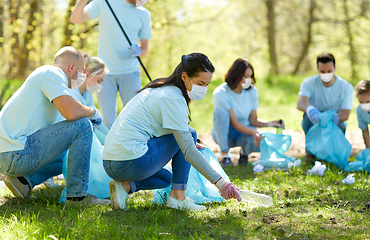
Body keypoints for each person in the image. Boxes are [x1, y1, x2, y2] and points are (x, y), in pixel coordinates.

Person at [103, 53, 242, 211]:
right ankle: (178, 199)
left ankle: (125, 186)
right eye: (200, 83)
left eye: (207, 84)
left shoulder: (159, 89)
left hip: (111, 163)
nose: (204, 89)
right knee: (189, 133)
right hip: (130, 161)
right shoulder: (173, 97)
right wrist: (222, 184)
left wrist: (186, 142)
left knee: (166, 178)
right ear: (185, 76)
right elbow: (188, 150)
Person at [0, 46, 108, 206]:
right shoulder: (52, 74)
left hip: (10, 153)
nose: (81, 77)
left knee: (73, 150)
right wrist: (93, 112)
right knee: (83, 125)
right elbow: (72, 112)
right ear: (72, 68)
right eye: (80, 71)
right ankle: (76, 197)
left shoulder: (51, 80)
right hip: (14, 153)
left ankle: (23, 181)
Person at [70, 0, 152, 129]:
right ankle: (106, 149)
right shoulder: (105, 3)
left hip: (131, 72)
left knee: (134, 117)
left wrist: (139, 50)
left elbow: (145, 48)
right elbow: (76, 19)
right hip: (104, 74)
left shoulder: (144, 14)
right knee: (107, 121)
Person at [58, 53, 112, 203]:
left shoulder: (87, 94)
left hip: (85, 134)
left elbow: (97, 121)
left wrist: (110, 141)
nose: (99, 85)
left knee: (104, 142)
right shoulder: (71, 92)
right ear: (88, 74)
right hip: (70, 138)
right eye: (99, 80)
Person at [212, 58, 284, 167]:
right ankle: (225, 155)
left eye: (250, 76)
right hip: (227, 134)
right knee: (220, 112)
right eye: (245, 76)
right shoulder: (220, 93)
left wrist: (271, 124)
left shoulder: (252, 91)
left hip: (244, 133)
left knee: (262, 140)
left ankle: (244, 153)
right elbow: (235, 124)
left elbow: (253, 120)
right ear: (236, 75)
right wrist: (254, 131)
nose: (248, 80)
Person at [297, 53, 353, 162]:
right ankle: (311, 154)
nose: (326, 74)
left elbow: (345, 114)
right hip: (315, 119)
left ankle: (334, 151)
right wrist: (310, 109)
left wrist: (333, 117)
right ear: (317, 69)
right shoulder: (309, 83)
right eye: (322, 71)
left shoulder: (346, 87)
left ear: (334, 68)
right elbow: (301, 103)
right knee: (307, 118)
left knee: (341, 125)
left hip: (334, 119)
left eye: (329, 71)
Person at [355, 80, 370, 149]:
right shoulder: (360, 110)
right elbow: (365, 131)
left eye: (368, 101)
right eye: (361, 102)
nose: (365, 105)